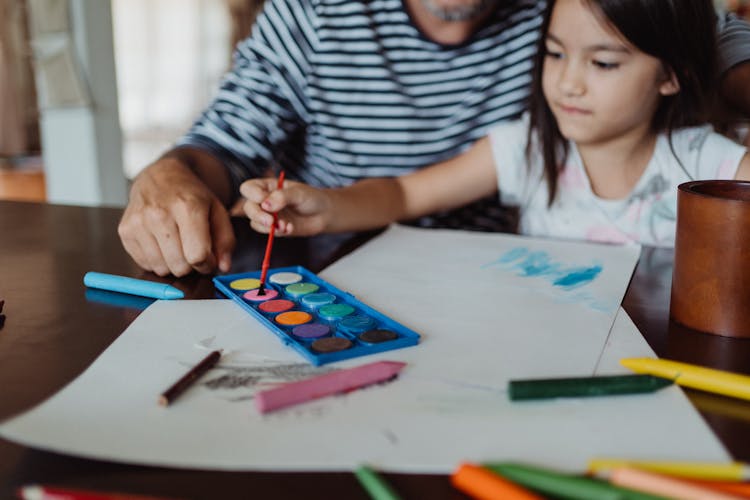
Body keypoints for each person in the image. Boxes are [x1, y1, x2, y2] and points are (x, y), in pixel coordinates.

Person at [118, 0, 750, 276]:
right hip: (343, 283)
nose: (569, 83)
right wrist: (167, 178)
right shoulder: (312, 13)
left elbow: (697, 31)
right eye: (553, 56)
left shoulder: (568, 8)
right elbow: (221, 143)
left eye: (601, 64)